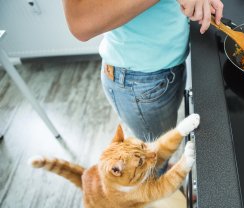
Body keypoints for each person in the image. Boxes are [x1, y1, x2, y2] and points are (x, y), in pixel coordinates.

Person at [62, 0, 224, 141]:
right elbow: (80, 22)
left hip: (170, 64)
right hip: (139, 83)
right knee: (154, 161)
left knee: (163, 145)